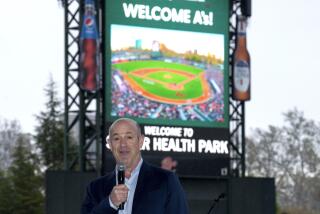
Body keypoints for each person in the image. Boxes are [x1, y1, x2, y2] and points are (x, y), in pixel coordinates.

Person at [81, 118, 189, 214]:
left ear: (141, 141)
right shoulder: (95, 188)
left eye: (129, 137)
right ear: (109, 144)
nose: (123, 144)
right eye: (116, 138)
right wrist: (111, 203)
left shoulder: (166, 180)